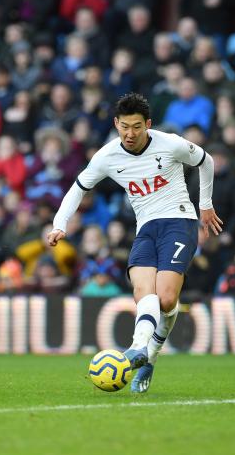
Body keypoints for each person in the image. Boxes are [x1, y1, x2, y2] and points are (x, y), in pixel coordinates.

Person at [47, 93, 222, 393]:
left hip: (179, 222)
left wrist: (205, 203)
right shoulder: (107, 156)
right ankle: (137, 349)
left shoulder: (171, 144)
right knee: (144, 292)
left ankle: (149, 357)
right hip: (146, 229)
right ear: (116, 123)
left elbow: (207, 161)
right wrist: (59, 225)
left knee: (166, 299)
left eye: (137, 127)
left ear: (148, 125)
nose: (130, 134)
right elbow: (78, 187)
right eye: (124, 126)